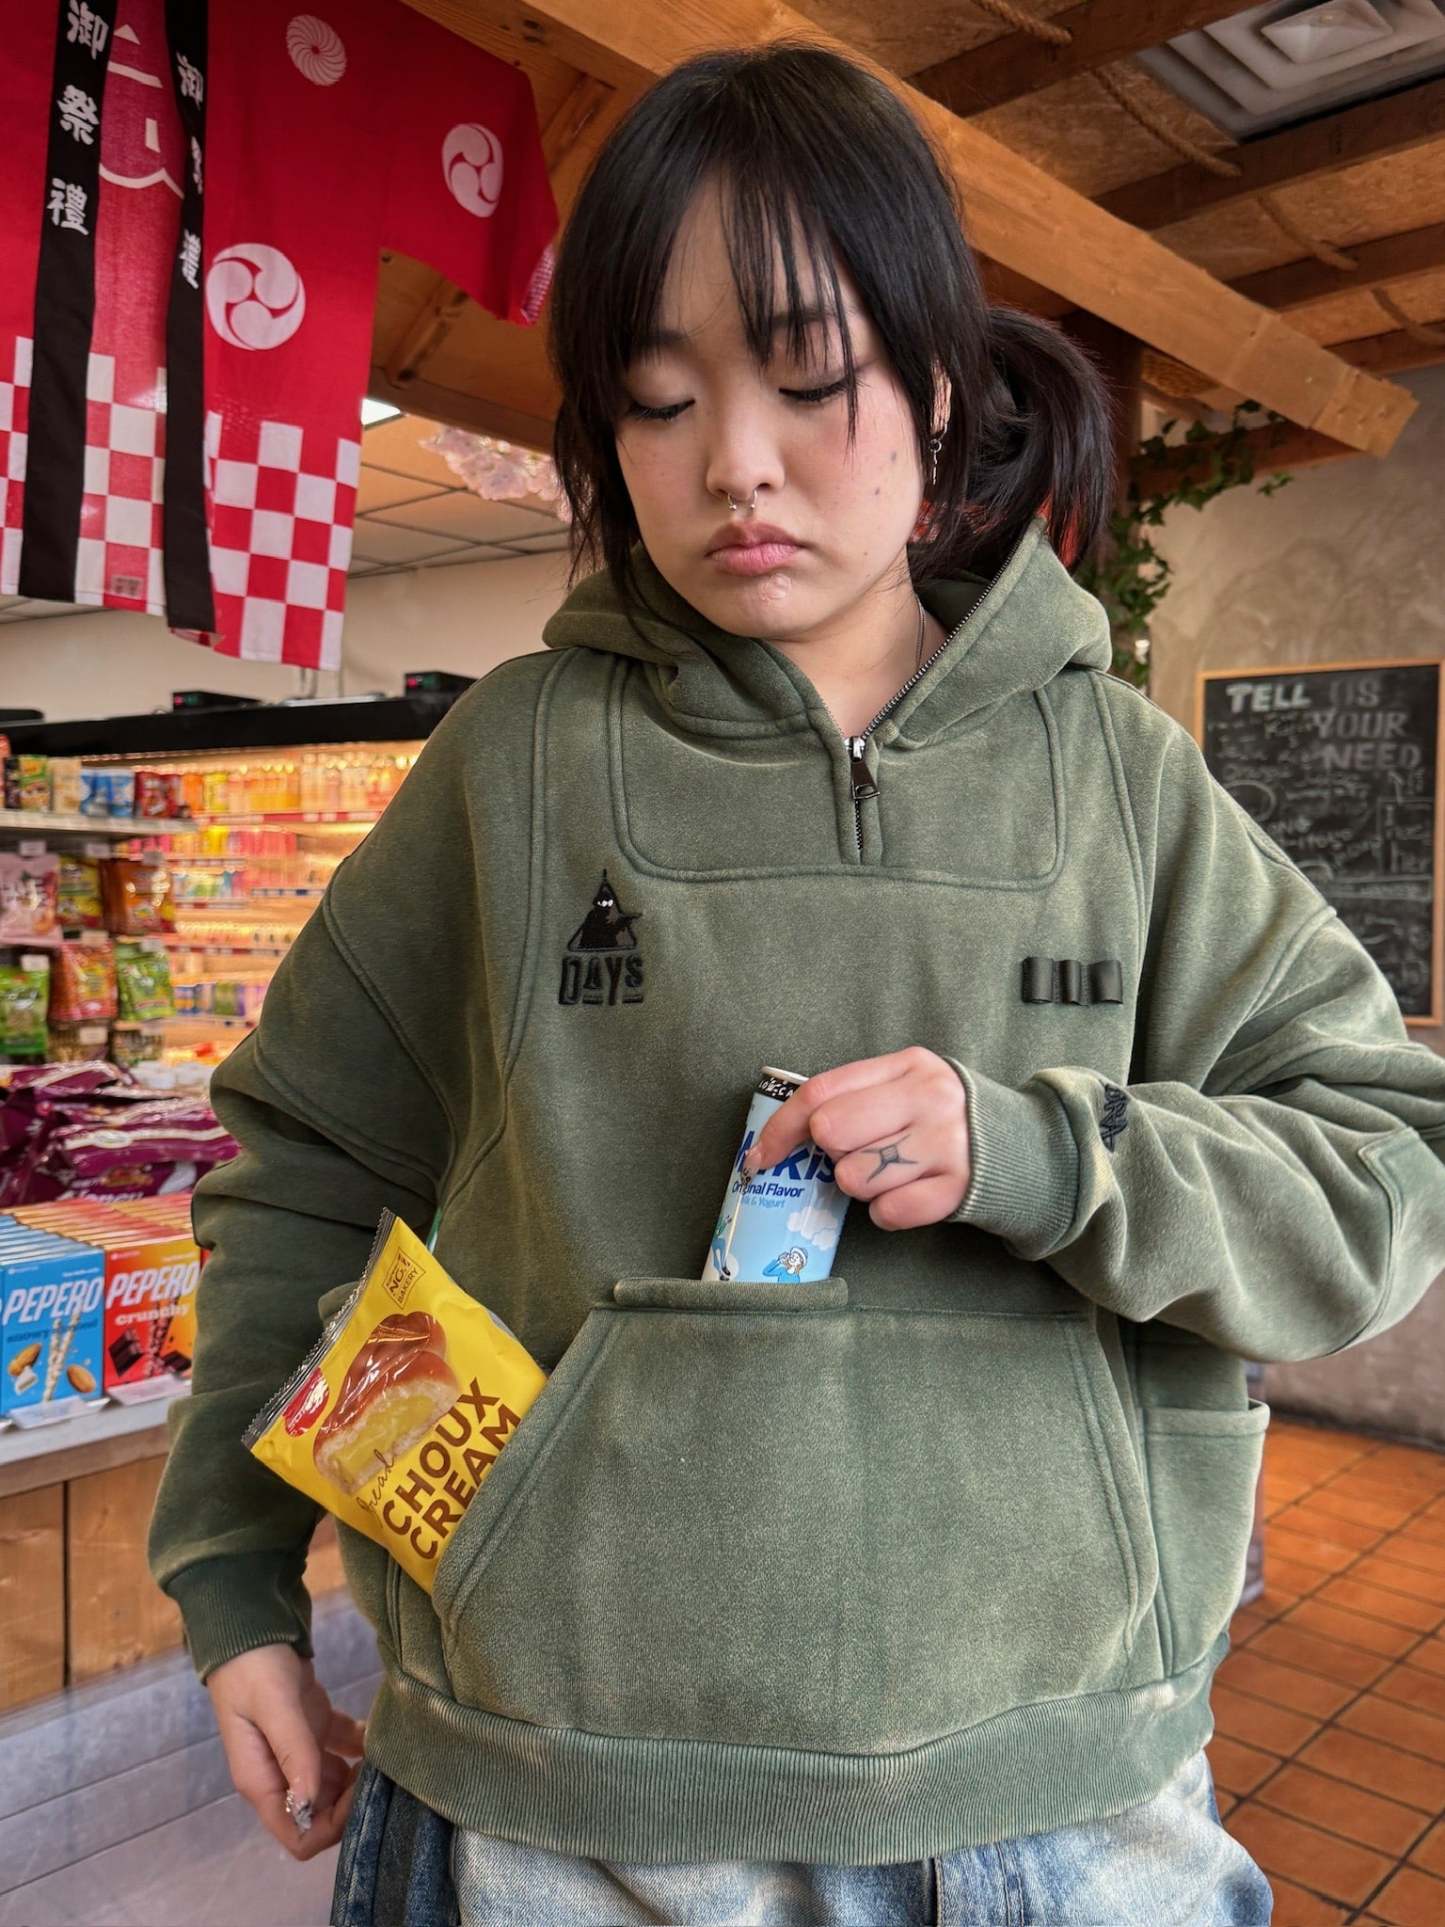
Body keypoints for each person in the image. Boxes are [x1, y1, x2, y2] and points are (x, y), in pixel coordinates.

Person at [148, 40, 1445, 1927]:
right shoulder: (515, 766)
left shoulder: (1118, 778)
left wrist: (1051, 1155)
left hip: (1059, 1791)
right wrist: (231, 1584)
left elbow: (1388, 1167)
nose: (733, 464)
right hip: (573, 1797)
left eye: (809, 378)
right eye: (658, 400)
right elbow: (304, 1173)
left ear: (937, 385)